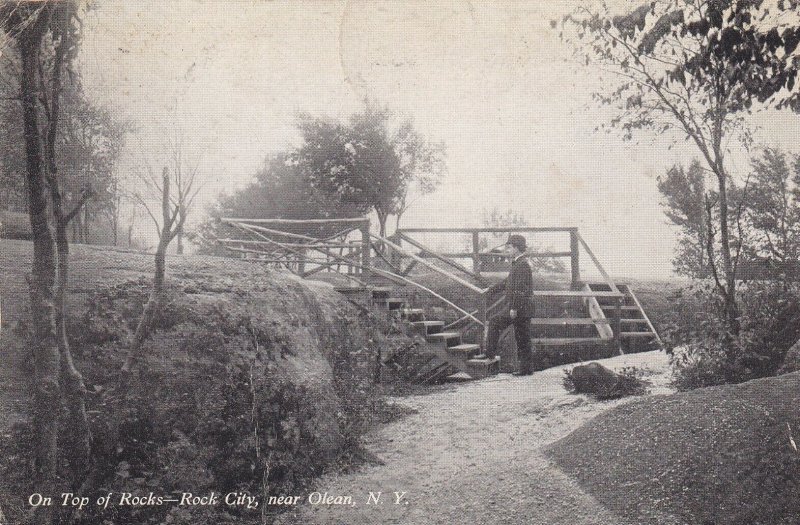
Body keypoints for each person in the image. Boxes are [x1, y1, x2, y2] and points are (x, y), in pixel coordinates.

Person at [484, 234, 534, 375]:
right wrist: (491, 290)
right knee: (522, 337)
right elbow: (508, 282)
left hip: (520, 308)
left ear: (517, 248)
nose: (508, 249)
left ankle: (490, 354)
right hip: (521, 307)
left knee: (496, 323)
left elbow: (521, 289)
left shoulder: (522, 264)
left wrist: (514, 308)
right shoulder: (518, 263)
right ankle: (526, 369)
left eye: (510, 247)